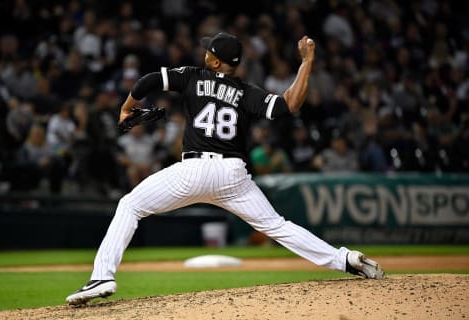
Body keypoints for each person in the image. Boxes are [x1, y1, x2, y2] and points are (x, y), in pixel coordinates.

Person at [66, 32, 384, 305]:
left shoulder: (192, 75)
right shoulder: (246, 92)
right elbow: (290, 104)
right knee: (277, 225)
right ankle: (345, 259)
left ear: (216, 62)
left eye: (209, 50)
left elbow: (147, 81)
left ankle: (101, 278)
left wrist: (126, 109)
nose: (204, 52)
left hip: (193, 171)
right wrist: (307, 63)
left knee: (130, 205)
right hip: (233, 176)